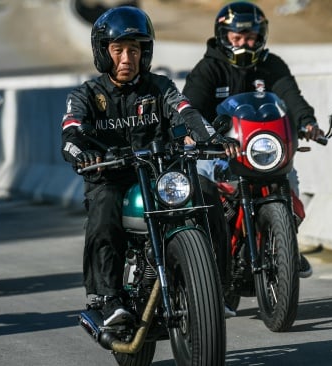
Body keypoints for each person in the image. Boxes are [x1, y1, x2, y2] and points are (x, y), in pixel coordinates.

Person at [60, 6, 236, 326]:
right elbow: (70, 133)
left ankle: (217, 289)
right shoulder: (85, 95)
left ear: (145, 52)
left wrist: (211, 139)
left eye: (134, 49)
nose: (126, 58)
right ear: (103, 53)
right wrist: (82, 154)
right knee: (103, 205)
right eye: (118, 50)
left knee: (208, 191)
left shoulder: (161, 87)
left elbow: (187, 113)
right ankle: (107, 297)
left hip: (160, 175)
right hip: (111, 176)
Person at [183, 1, 323, 281]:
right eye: (237, 38)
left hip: (261, 152)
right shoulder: (208, 69)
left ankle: (286, 245)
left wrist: (307, 121)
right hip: (218, 153)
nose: (245, 44)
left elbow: (291, 98)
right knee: (202, 195)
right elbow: (192, 107)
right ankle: (207, 264)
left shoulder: (271, 66)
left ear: (261, 37)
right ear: (224, 37)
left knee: (290, 181)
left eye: (251, 38)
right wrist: (197, 134)